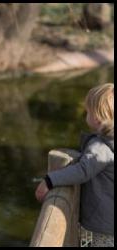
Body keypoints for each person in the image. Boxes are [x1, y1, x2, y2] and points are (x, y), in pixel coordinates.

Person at [35, 83, 114, 247]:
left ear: (97, 118)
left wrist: (50, 180)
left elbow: (82, 170)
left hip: (101, 226)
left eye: (88, 111)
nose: (86, 115)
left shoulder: (101, 148)